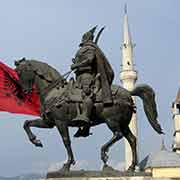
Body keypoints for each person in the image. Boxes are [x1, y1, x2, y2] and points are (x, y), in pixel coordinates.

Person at [71, 26, 114, 137]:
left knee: (86, 94)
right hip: (79, 76)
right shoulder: (84, 49)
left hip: (87, 76)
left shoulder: (90, 49)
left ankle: (85, 117)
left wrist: (77, 65)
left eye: (85, 37)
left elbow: (90, 60)